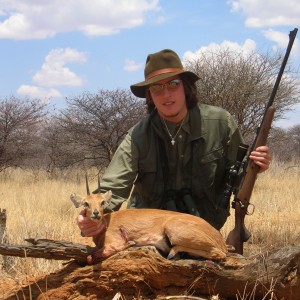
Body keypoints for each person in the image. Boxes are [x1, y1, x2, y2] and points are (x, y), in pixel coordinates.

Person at [77, 49, 272, 237]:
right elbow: (113, 186)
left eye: (173, 84)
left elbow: (239, 176)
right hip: (147, 233)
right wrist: (89, 215)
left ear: (186, 87)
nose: (166, 94)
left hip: (202, 229)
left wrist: (256, 166)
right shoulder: (138, 135)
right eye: (156, 88)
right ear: (149, 96)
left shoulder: (221, 122)